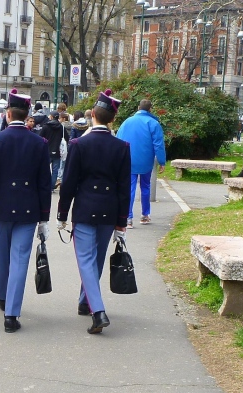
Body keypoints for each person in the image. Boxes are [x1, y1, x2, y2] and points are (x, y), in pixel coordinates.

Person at [0, 88, 51, 333]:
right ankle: (11, 314)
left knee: (2, 257)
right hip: (28, 208)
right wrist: (44, 218)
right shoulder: (39, 143)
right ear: (27, 115)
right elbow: (44, 183)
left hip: (3, 206)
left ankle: (3, 296)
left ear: (8, 114)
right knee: (20, 260)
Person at [57, 89, 130, 334]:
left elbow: (69, 183)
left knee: (86, 260)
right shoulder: (122, 146)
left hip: (85, 208)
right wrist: (122, 221)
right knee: (96, 259)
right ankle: (85, 300)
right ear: (112, 119)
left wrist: (62, 214)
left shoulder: (79, 144)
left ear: (93, 116)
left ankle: (98, 311)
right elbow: (124, 188)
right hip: (109, 209)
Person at [116, 99, 166, 228]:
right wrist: (162, 161)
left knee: (129, 188)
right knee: (145, 187)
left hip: (128, 160)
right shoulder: (153, 123)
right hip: (146, 160)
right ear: (150, 109)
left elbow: (118, 140)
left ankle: (128, 218)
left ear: (138, 108)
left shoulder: (127, 122)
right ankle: (145, 215)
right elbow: (158, 144)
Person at [40, 110, 69, 192]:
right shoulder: (61, 127)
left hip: (47, 151)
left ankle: (45, 185)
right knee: (55, 170)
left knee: (45, 169)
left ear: (51, 117)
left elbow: (40, 138)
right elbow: (67, 138)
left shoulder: (46, 126)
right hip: (57, 151)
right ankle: (52, 187)